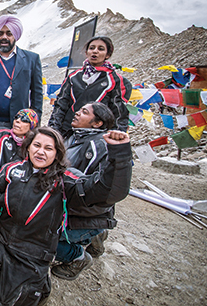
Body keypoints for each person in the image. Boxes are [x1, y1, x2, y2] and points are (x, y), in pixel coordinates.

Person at [0, 127, 132, 305]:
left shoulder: (66, 180)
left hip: (32, 254)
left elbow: (107, 191)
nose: (40, 151)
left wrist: (120, 154)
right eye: (36, 145)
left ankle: (40, 286)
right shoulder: (12, 169)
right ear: (28, 147)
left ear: (57, 153)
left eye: (48, 148)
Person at [52, 102, 117, 281]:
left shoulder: (99, 147)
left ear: (97, 124)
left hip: (81, 212)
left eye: (84, 112)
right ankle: (96, 234)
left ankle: (77, 257)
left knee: (42, 238)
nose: (77, 113)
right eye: (79, 109)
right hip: (73, 207)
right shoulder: (73, 136)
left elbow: (87, 191)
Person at [0, 15, 43, 178]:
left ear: (16, 36)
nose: (4, 37)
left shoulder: (31, 59)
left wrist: (34, 124)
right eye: (0, 33)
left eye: (9, 33)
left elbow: (37, 94)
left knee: (14, 163)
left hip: (19, 124)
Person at [49, 36, 132, 138]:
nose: (95, 51)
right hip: (66, 132)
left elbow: (119, 114)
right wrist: (53, 132)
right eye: (92, 48)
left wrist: (115, 138)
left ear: (108, 54)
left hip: (96, 136)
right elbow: (61, 106)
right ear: (86, 52)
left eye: (100, 49)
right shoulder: (73, 77)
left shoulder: (116, 81)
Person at [0, 108, 39, 179]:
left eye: (24, 120)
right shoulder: (1, 136)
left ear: (32, 126)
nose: (17, 121)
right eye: (17, 117)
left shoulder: (35, 147)